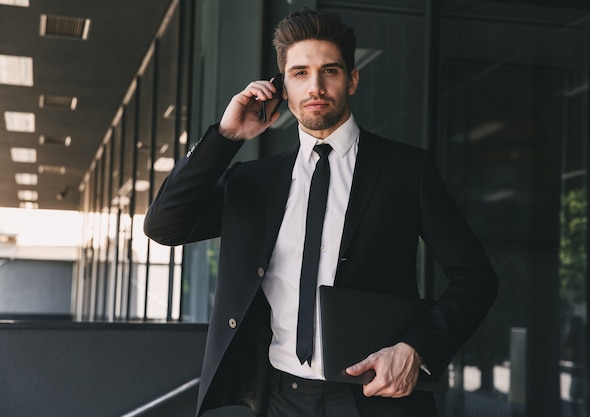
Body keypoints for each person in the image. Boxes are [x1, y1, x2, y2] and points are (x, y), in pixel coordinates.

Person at [144, 7, 498, 417]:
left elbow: (476, 278)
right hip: (279, 397)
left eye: (329, 71)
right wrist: (225, 137)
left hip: (373, 400)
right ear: (282, 87)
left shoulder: (406, 170)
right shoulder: (254, 181)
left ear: (352, 79)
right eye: (299, 73)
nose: (315, 86)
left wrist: (417, 349)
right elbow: (165, 224)